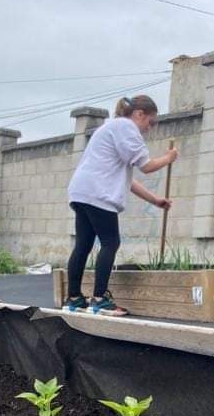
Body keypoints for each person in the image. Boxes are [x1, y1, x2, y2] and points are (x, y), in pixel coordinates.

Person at [63, 94, 177, 316]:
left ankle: (74, 299)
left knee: (83, 245)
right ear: (139, 114)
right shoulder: (126, 127)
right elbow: (147, 166)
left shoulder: (111, 128)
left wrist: (155, 200)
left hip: (82, 192)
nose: (149, 129)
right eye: (150, 122)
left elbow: (128, 180)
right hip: (98, 193)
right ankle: (99, 299)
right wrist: (169, 157)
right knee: (110, 242)